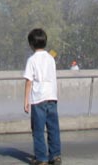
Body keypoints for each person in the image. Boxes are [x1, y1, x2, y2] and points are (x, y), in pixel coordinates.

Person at [23, 28, 62, 165]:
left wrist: (26, 101)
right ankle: (55, 156)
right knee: (53, 128)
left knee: (38, 130)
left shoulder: (31, 60)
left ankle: (41, 158)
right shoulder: (51, 58)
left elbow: (29, 81)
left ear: (31, 44)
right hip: (52, 97)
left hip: (38, 99)